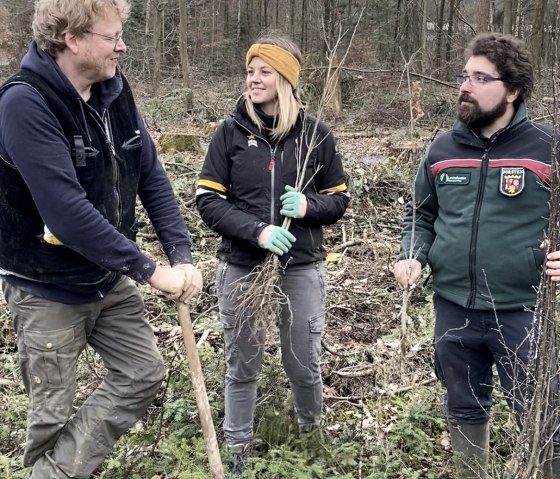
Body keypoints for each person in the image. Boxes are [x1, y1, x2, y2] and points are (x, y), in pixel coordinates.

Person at [0, 0, 203, 477]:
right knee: (50, 414)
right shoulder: (24, 104)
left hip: (106, 279)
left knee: (142, 372)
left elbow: (148, 171)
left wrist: (180, 252)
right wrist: (151, 271)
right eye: (112, 36)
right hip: (45, 287)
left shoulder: (113, 90)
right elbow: (67, 214)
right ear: (71, 38)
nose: (122, 45)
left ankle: (54, 472)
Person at [394, 32, 559, 478]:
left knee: (543, 419)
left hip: (522, 311)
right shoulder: (441, 150)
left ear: (512, 90)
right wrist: (412, 254)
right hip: (453, 309)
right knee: (465, 408)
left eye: (479, 77)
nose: (464, 86)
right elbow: (420, 215)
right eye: (463, 75)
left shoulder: (548, 149)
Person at [196, 35, 349, 474]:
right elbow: (208, 199)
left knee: (303, 364)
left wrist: (307, 207)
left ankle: (311, 441)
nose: (253, 79)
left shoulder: (316, 136)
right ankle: (236, 453)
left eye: (264, 71)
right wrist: (258, 232)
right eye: (250, 70)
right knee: (242, 364)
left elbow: (339, 198)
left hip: (300, 267)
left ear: (286, 79)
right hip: (242, 267)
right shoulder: (230, 132)